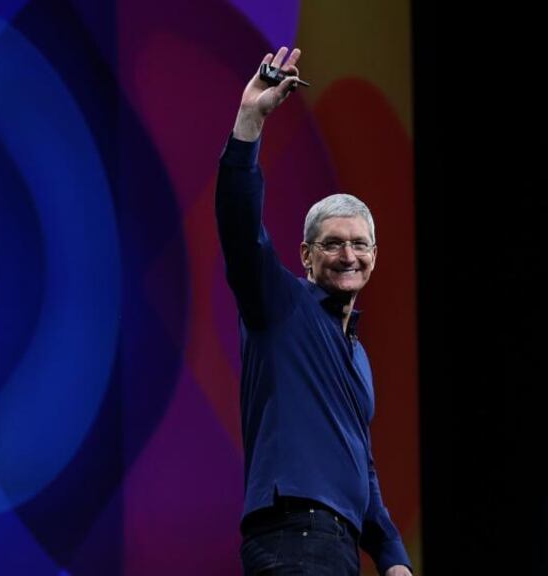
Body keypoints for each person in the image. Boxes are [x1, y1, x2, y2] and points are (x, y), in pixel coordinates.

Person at [215, 46, 413, 576]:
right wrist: (248, 123)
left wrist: (393, 559)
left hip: (337, 549)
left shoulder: (358, 357)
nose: (348, 255)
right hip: (291, 539)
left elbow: (362, 472)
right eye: (332, 244)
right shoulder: (282, 306)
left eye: (360, 244)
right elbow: (239, 232)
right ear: (305, 255)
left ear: (374, 256)